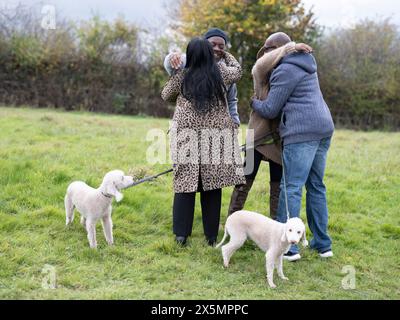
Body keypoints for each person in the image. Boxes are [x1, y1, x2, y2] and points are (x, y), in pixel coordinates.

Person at [251, 37, 335, 262]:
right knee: (316, 186)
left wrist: (253, 103)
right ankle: (323, 244)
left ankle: (289, 248)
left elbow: (270, 109)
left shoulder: (285, 70)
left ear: (274, 52)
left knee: (291, 188)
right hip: (323, 128)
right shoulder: (307, 61)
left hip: (301, 132)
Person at [161, 38, 245, 247]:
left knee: (184, 183)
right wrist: (224, 54)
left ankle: (181, 235)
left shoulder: (182, 75)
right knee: (212, 184)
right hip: (215, 135)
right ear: (210, 55)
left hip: (185, 134)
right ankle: (211, 236)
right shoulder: (221, 74)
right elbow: (238, 70)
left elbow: (165, 95)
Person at [228, 33, 313, 220]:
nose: (266, 52)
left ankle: (275, 225)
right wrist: (290, 47)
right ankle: (231, 221)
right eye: (265, 48)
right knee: (244, 180)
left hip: (278, 137)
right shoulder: (260, 72)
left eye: (271, 49)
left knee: (277, 184)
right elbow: (258, 67)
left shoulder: (288, 71)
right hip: (257, 134)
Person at [164, 28, 240, 126]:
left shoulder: (224, 70)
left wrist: (235, 121)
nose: (217, 48)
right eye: (212, 45)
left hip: (192, 131)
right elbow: (171, 65)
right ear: (205, 46)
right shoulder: (225, 72)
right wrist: (171, 57)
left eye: (221, 46)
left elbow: (231, 99)